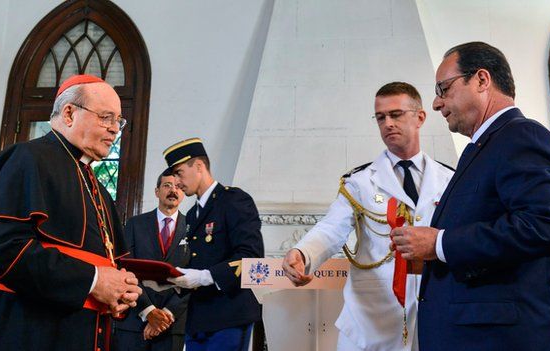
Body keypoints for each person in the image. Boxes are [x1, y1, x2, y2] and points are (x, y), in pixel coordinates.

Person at [391, 42, 550, 351]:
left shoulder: (521, 137)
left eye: (443, 88)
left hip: (509, 338)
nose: (437, 103)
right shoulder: (483, 148)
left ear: (481, 80)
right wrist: (431, 257)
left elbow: (542, 226)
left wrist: (439, 244)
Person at [0, 74, 142, 350]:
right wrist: (93, 280)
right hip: (22, 331)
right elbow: (4, 250)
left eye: (119, 121)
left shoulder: (96, 186)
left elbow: (103, 264)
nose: (115, 129)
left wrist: (119, 291)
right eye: (106, 117)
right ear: (69, 113)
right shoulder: (27, 158)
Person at [282, 82, 454, 351]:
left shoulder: (449, 179)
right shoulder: (360, 182)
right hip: (371, 319)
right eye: (380, 117)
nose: (388, 124)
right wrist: (303, 253)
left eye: (396, 114)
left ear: (420, 117)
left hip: (434, 312)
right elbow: (331, 228)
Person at [162, 138, 264, 351]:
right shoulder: (192, 215)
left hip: (229, 315)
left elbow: (251, 256)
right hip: (198, 318)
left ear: (199, 166)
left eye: (179, 173)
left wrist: (203, 277)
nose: (177, 182)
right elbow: (198, 259)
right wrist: (172, 279)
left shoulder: (233, 200)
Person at [113, 169, 190, 351]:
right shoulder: (134, 224)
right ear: (157, 191)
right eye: (167, 185)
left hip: (171, 325)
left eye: (178, 186)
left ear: (183, 193)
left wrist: (165, 315)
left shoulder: (193, 229)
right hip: (133, 322)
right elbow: (125, 269)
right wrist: (148, 312)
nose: (173, 190)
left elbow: (194, 279)